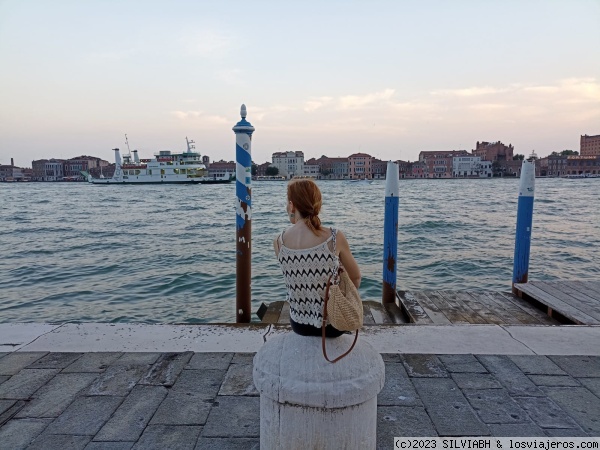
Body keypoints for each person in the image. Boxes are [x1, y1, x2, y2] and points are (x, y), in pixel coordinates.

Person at [273, 179, 361, 337]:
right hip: (333, 325)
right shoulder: (334, 237)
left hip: (299, 324)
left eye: (286, 203)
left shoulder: (279, 241)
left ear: (292, 205)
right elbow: (355, 278)